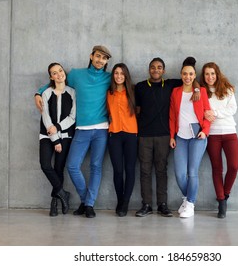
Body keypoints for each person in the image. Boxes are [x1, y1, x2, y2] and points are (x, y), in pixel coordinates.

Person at [35, 45, 112, 218]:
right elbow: (57, 81)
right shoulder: (77, 75)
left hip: (101, 129)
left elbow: (124, 85)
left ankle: (89, 205)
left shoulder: (109, 78)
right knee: (72, 166)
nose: (100, 60)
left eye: (104, 58)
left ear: (107, 61)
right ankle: (85, 200)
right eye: (98, 56)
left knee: (95, 166)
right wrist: (38, 93)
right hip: (81, 129)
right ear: (91, 56)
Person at [134, 57, 201, 217]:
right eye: (152, 67)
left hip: (165, 136)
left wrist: (197, 89)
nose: (155, 70)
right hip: (144, 136)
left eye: (159, 67)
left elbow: (191, 80)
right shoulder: (140, 87)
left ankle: (162, 205)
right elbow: (137, 110)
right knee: (144, 171)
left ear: (163, 70)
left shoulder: (171, 84)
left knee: (161, 170)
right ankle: (146, 205)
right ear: (149, 69)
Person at [169, 57, 211, 218]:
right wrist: (172, 136)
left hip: (197, 137)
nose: (187, 76)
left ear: (194, 76)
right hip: (180, 137)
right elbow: (172, 116)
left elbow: (207, 114)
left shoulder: (201, 92)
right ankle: (187, 199)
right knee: (180, 173)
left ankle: (191, 204)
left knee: (192, 172)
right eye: (185, 74)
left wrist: (205, 131)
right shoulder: (176, 92)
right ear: (181, 74)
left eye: (191, 74)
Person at [200, 62, 238, 219]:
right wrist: (207, 113)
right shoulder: (202, 92)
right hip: (213, 135)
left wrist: (214, 113)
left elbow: (232, 109)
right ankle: (221, 201)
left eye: (212, 73)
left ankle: (226, 192)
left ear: (217, 74)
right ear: (203, 76)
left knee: (234, 166)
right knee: (217, 169)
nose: (210, 77)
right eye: (207, 74)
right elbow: (202, 111)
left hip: (230, 132)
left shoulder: (227, 89)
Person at [39, 62, 76, 216]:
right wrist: (55, 139)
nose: (59, 74)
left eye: (60, 71)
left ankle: (54, 204)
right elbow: (45, 116)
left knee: (58, 169)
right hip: (47, 135)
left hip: (66, 135)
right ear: (51, 77)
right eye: (54, 73)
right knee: (46, 165)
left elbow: (73, 117)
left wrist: (59, 128)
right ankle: (62, 193)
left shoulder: (72, 92)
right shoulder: (46, 93)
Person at [107, 63, 138, 217]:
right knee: (118, 170)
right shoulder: (108, 92)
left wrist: (197, 88)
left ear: (126, 75)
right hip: (114, 135)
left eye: (122, 73)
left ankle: (125, 204)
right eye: (116, 73)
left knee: (130, 170)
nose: (119, 76)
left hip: (131, 135)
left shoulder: (133, 91)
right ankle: (120, 200)